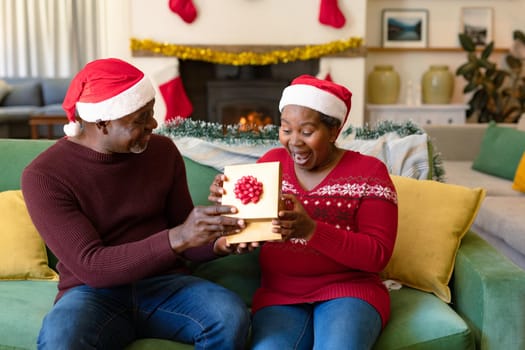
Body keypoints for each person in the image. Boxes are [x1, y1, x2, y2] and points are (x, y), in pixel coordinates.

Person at [21, 58, 251, 350]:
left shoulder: (163, 151)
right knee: (61, 336)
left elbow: (184, 234)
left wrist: (218, 243)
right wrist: (179, 236)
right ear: (102, 123)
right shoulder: (44, 176)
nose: (153, 124)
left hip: (165, 284)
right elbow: (92, 266)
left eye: (151, 112)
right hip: (91, 292)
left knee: (229, 316)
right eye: (140, 118)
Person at [209, 75, 398, 349]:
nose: (294, 141)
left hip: (349, 291)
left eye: (307, 132)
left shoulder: (370, 173)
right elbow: (248, 229)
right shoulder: (270, 163)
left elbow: (378, 255)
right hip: (280, 295)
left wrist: (311, 230)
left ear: (333, 132)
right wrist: (228, 206)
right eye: (286, 129)